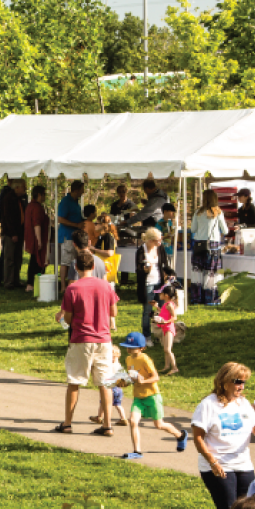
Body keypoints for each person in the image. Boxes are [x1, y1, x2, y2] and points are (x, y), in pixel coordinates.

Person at [192, 362, 255, 509]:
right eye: (237, 382)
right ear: (224, 382)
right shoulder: (208, 405)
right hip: (217, 465)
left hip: (243, 463)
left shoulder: (242, 403)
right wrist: (212, 462)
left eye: (243, 382)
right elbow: (197, 438)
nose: (241, 386)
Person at [56, 250, 118, 436]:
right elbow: (113, 312)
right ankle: (107, 424)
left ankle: (67, 423)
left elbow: (67, 317)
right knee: (105, 383)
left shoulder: (72, 289)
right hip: (103, 339)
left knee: (74, 381)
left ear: (76, 267)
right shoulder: (106, 286)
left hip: (81, 339)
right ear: (93, 266)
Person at [119, 332, 188, 459]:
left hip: (152, 396)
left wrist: (143, 381)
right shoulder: (128, 359)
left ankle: (180, 435)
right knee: (133, 421)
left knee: (159, 425)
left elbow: (156, 377)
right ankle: (137, 452)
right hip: (138, 397)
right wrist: (124, 382)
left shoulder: (145, 359)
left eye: (132, 347)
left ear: (142, 348)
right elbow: (133, 377)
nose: (128, 349)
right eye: (127, 346)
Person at [191, 189, 230, 306]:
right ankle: (211, 298)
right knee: (212, 272)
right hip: (213, 245)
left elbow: (193, 229)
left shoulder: (198, 212)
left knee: (198, 271)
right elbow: (225, 231)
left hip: (199, 244)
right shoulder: (218, 212)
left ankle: (197, 298)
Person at [135, 227, 171, 338]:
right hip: (148, 284)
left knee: (162, 308)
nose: (160, 243)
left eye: (161, 240)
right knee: (148, 310)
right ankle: (147, 336)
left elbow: (165, 264)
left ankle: (161, 334)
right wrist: (146, 270)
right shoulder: (141, 250)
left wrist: (169, 274)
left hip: (160, 283)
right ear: (150, 240)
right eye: (158, 241)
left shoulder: (160, 249)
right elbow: (139, 269)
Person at [55, 180, 86, 284]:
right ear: (76, 190)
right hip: (67, 236)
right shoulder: (66, 201)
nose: (83, 192)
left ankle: (72, 283)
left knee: (72, 261)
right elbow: (60, 219)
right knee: (65, 262)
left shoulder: (75, 202)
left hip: (73, 236)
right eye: (82, 190)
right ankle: (63, 286)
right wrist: (77, 225)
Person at [0, 179, 27, 290]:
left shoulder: (20, 199)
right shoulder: (8, 198)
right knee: (9, 258)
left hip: (19, 232)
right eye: (23, 187)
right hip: (11, 233)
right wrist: (13, 233)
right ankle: (8, 282)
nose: (25, 190)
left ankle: (16, 279)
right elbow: (7, 218)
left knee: (18, 258)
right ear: (17, 187)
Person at [25, 185, 51, 286]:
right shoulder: (36, 207)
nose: (45, 197)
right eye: (44, 195)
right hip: (37, 239)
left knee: (34, 261)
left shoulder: (30, 206)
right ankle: (34, 283)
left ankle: (32, 283)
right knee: (38, 262)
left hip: (32, 239)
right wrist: (39, 240)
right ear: (39, 195)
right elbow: (37, 224)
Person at [154, 286, 181, 374]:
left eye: (161, 293)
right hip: (165, 328)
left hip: (169, 328)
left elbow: (175, 317)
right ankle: (167, 366)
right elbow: (163, 312)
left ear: (166, 295)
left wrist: (166, 322)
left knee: (168, 349)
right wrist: (156, 307)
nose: (159, 295)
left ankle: (175, 368)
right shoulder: (166, 304)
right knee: (165, 349)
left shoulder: (169, 305)